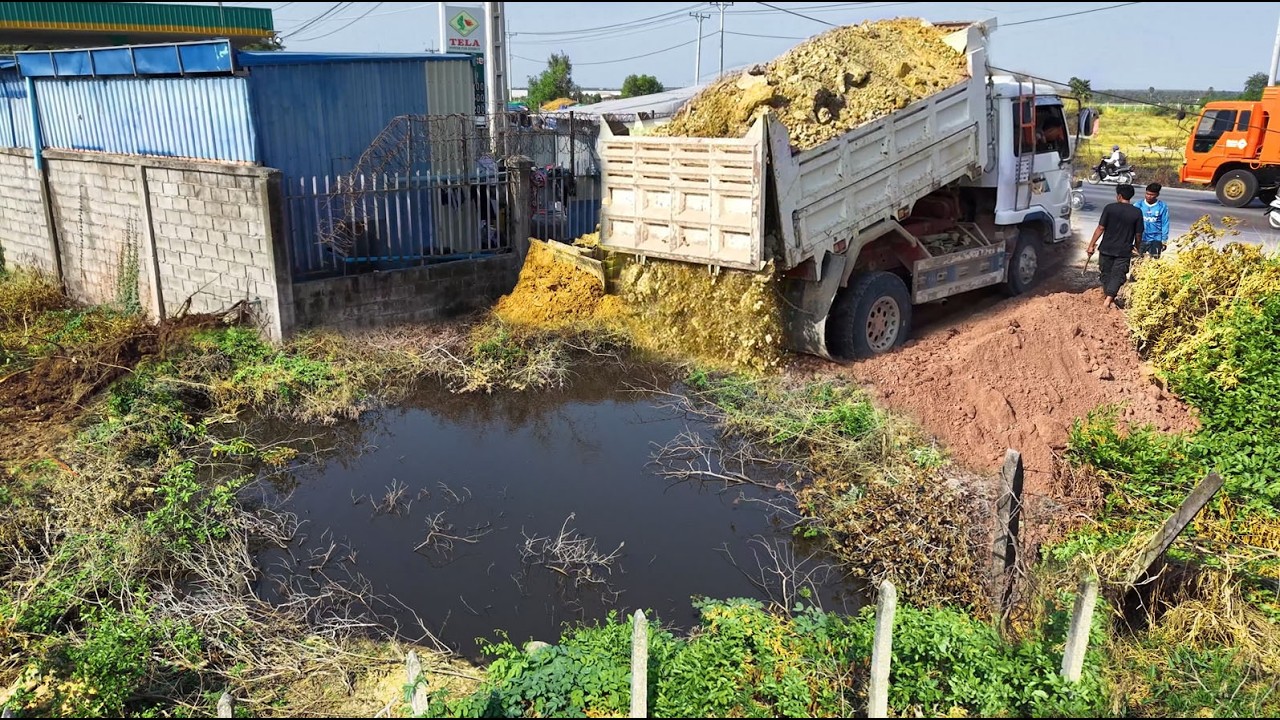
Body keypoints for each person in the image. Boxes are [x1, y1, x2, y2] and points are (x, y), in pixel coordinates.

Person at [1087, 183, 1145, 310]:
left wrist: (1091, 245)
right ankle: (1109, 299)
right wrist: (1137, 246)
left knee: (1106, 273)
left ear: (1119, 196)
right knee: (1118, 274)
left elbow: (1100, 228)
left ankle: (1107, 300)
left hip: (1106, 248)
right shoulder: (1137, 212)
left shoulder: (1109, 208)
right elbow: (1138, 234)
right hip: (1124, 250)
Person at [1134, 182, 1171, 258]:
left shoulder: (1162, 206)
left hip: (1156, 239)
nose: (1149, 196)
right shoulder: (1138, 205)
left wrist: (1164, 240)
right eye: (1147, 194)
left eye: (1152, 195)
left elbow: (1165, 223)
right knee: (1136, 260)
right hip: (1141, 238)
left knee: (1154, 261)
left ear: (1157, 195)